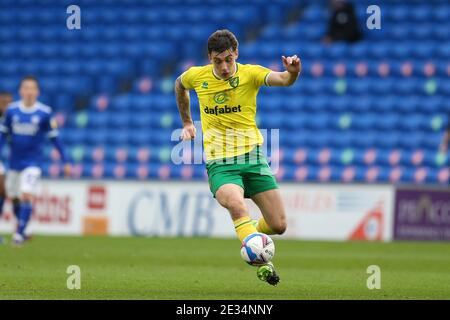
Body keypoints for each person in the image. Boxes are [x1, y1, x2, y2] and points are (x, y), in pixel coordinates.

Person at [174, 29, 301, 286]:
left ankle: (248, 232)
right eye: (217, 61)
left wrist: (294, 71)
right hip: (220, 164)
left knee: (279, 225)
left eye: (228, 59)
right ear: (209, 58)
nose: (223, 66)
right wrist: (187, 122)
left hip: (253, 158)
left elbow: (284, 80)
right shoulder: (196, 77)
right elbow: (179, 85)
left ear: (236, 55)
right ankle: (258, 255)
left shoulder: (250, 73)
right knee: (235, 203)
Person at [0, 76, 71, 245]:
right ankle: (25, 228)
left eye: (32, 88)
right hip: (14, 164)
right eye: (26, 88)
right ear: (21, 91)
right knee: (14, 196)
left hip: (33, 163)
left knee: (26, 194)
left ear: (37, 92)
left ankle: (18, 235)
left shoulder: (44, 113)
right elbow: (3, 136)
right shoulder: (11, 111)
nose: (29, 91)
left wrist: (65, 161)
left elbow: (55, 138)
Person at [0, 91, 13, 244]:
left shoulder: (11, 120)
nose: (6, 106)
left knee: (3, 191)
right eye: (3, 102)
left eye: (9, 103)